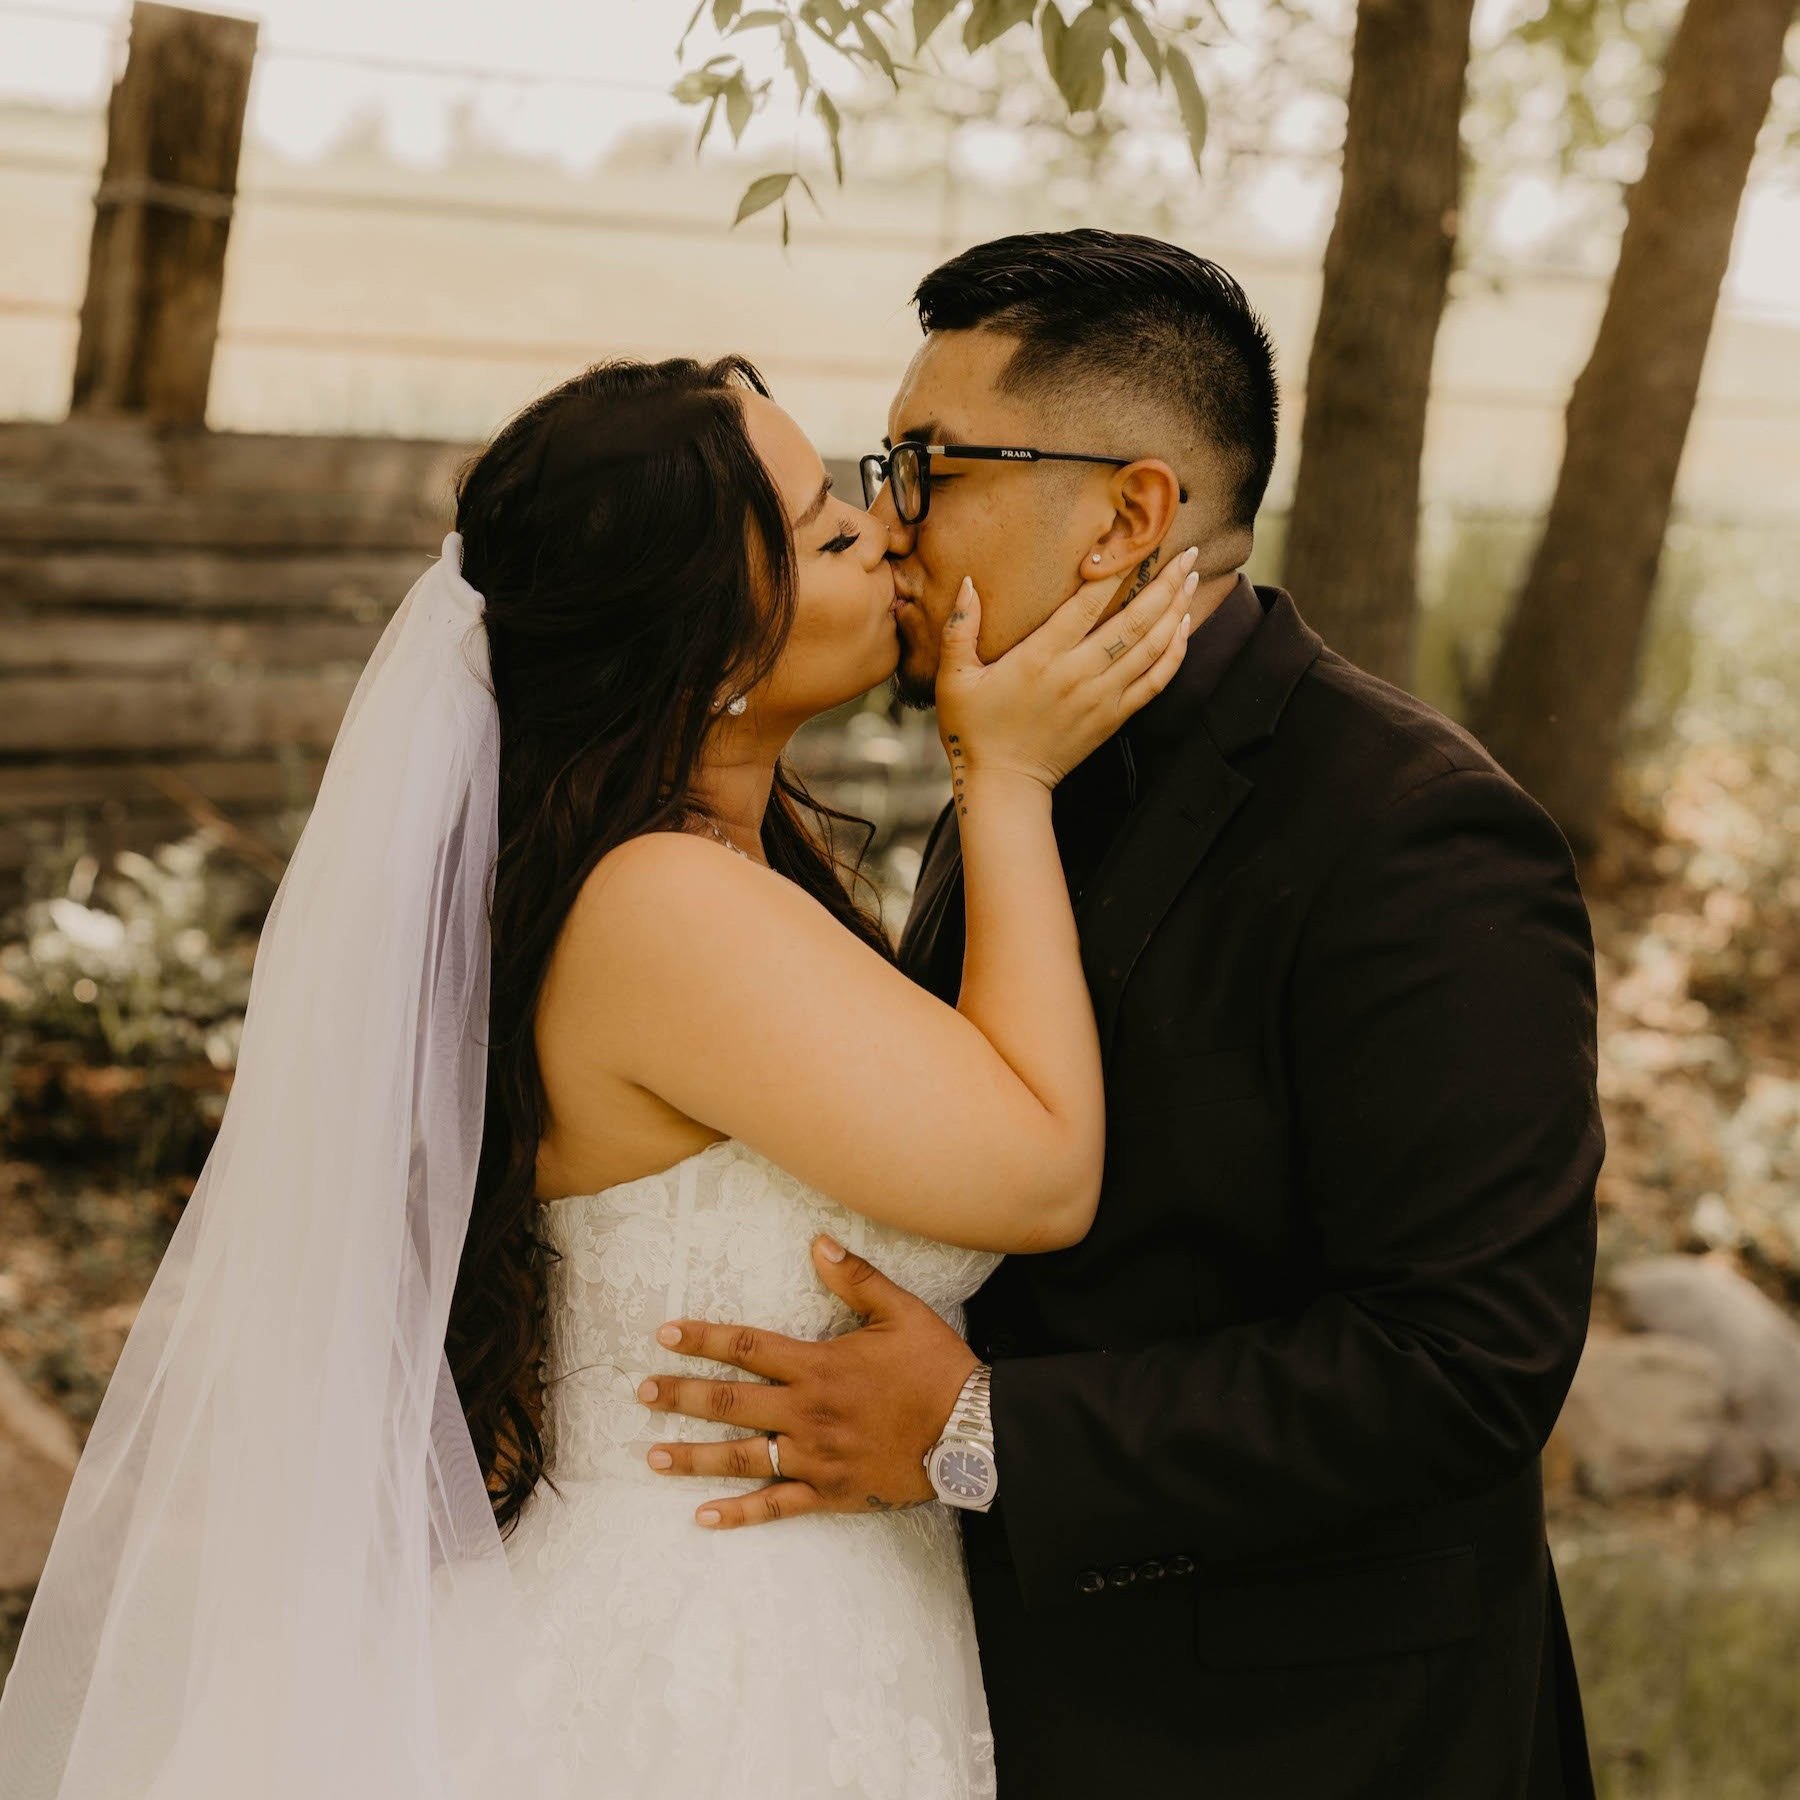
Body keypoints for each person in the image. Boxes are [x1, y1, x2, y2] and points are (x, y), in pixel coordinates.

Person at [0, 351, 1198, 1798]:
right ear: (715, 651)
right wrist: (1004, 783)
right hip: (703, 1670)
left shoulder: (724, 874)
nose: (888, 532)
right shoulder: (660, 909)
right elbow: (1042, 1171)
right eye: (827, 529)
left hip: (812, 1619)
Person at [643, 230, 1605, 1800]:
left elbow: (1465, 1361)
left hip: (1314, 1742)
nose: (887, 525)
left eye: (924, 468)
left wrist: (980, 1429)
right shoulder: (1007, 758)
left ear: (1129, 515)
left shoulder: (1413, 834)